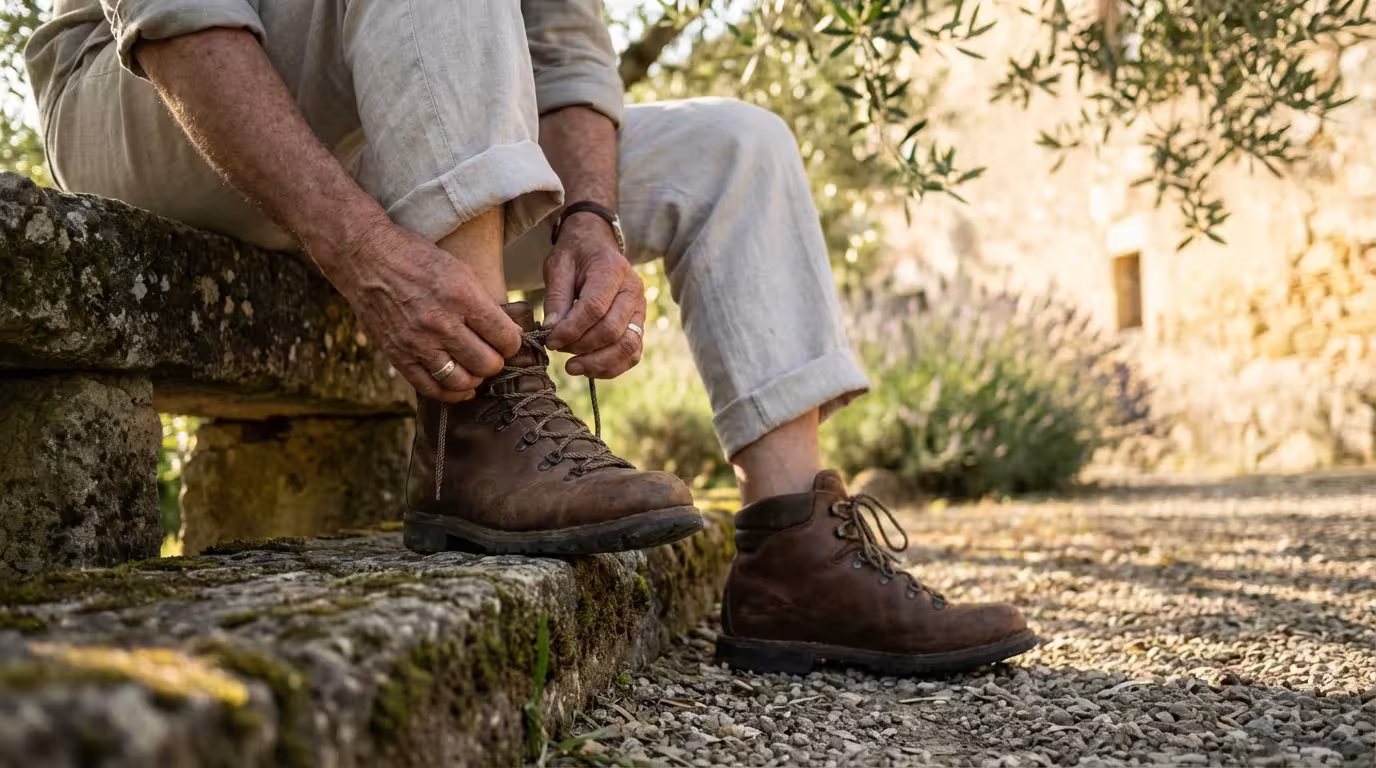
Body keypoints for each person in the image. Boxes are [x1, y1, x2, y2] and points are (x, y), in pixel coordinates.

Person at [25, 0, 1037, 676]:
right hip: (152, 101)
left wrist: (589, 219)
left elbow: (562, 46)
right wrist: (362, 249)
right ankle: (480, 410)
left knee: (737, 144)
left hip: (371, 105)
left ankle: (795, 558)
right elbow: (178, 25)